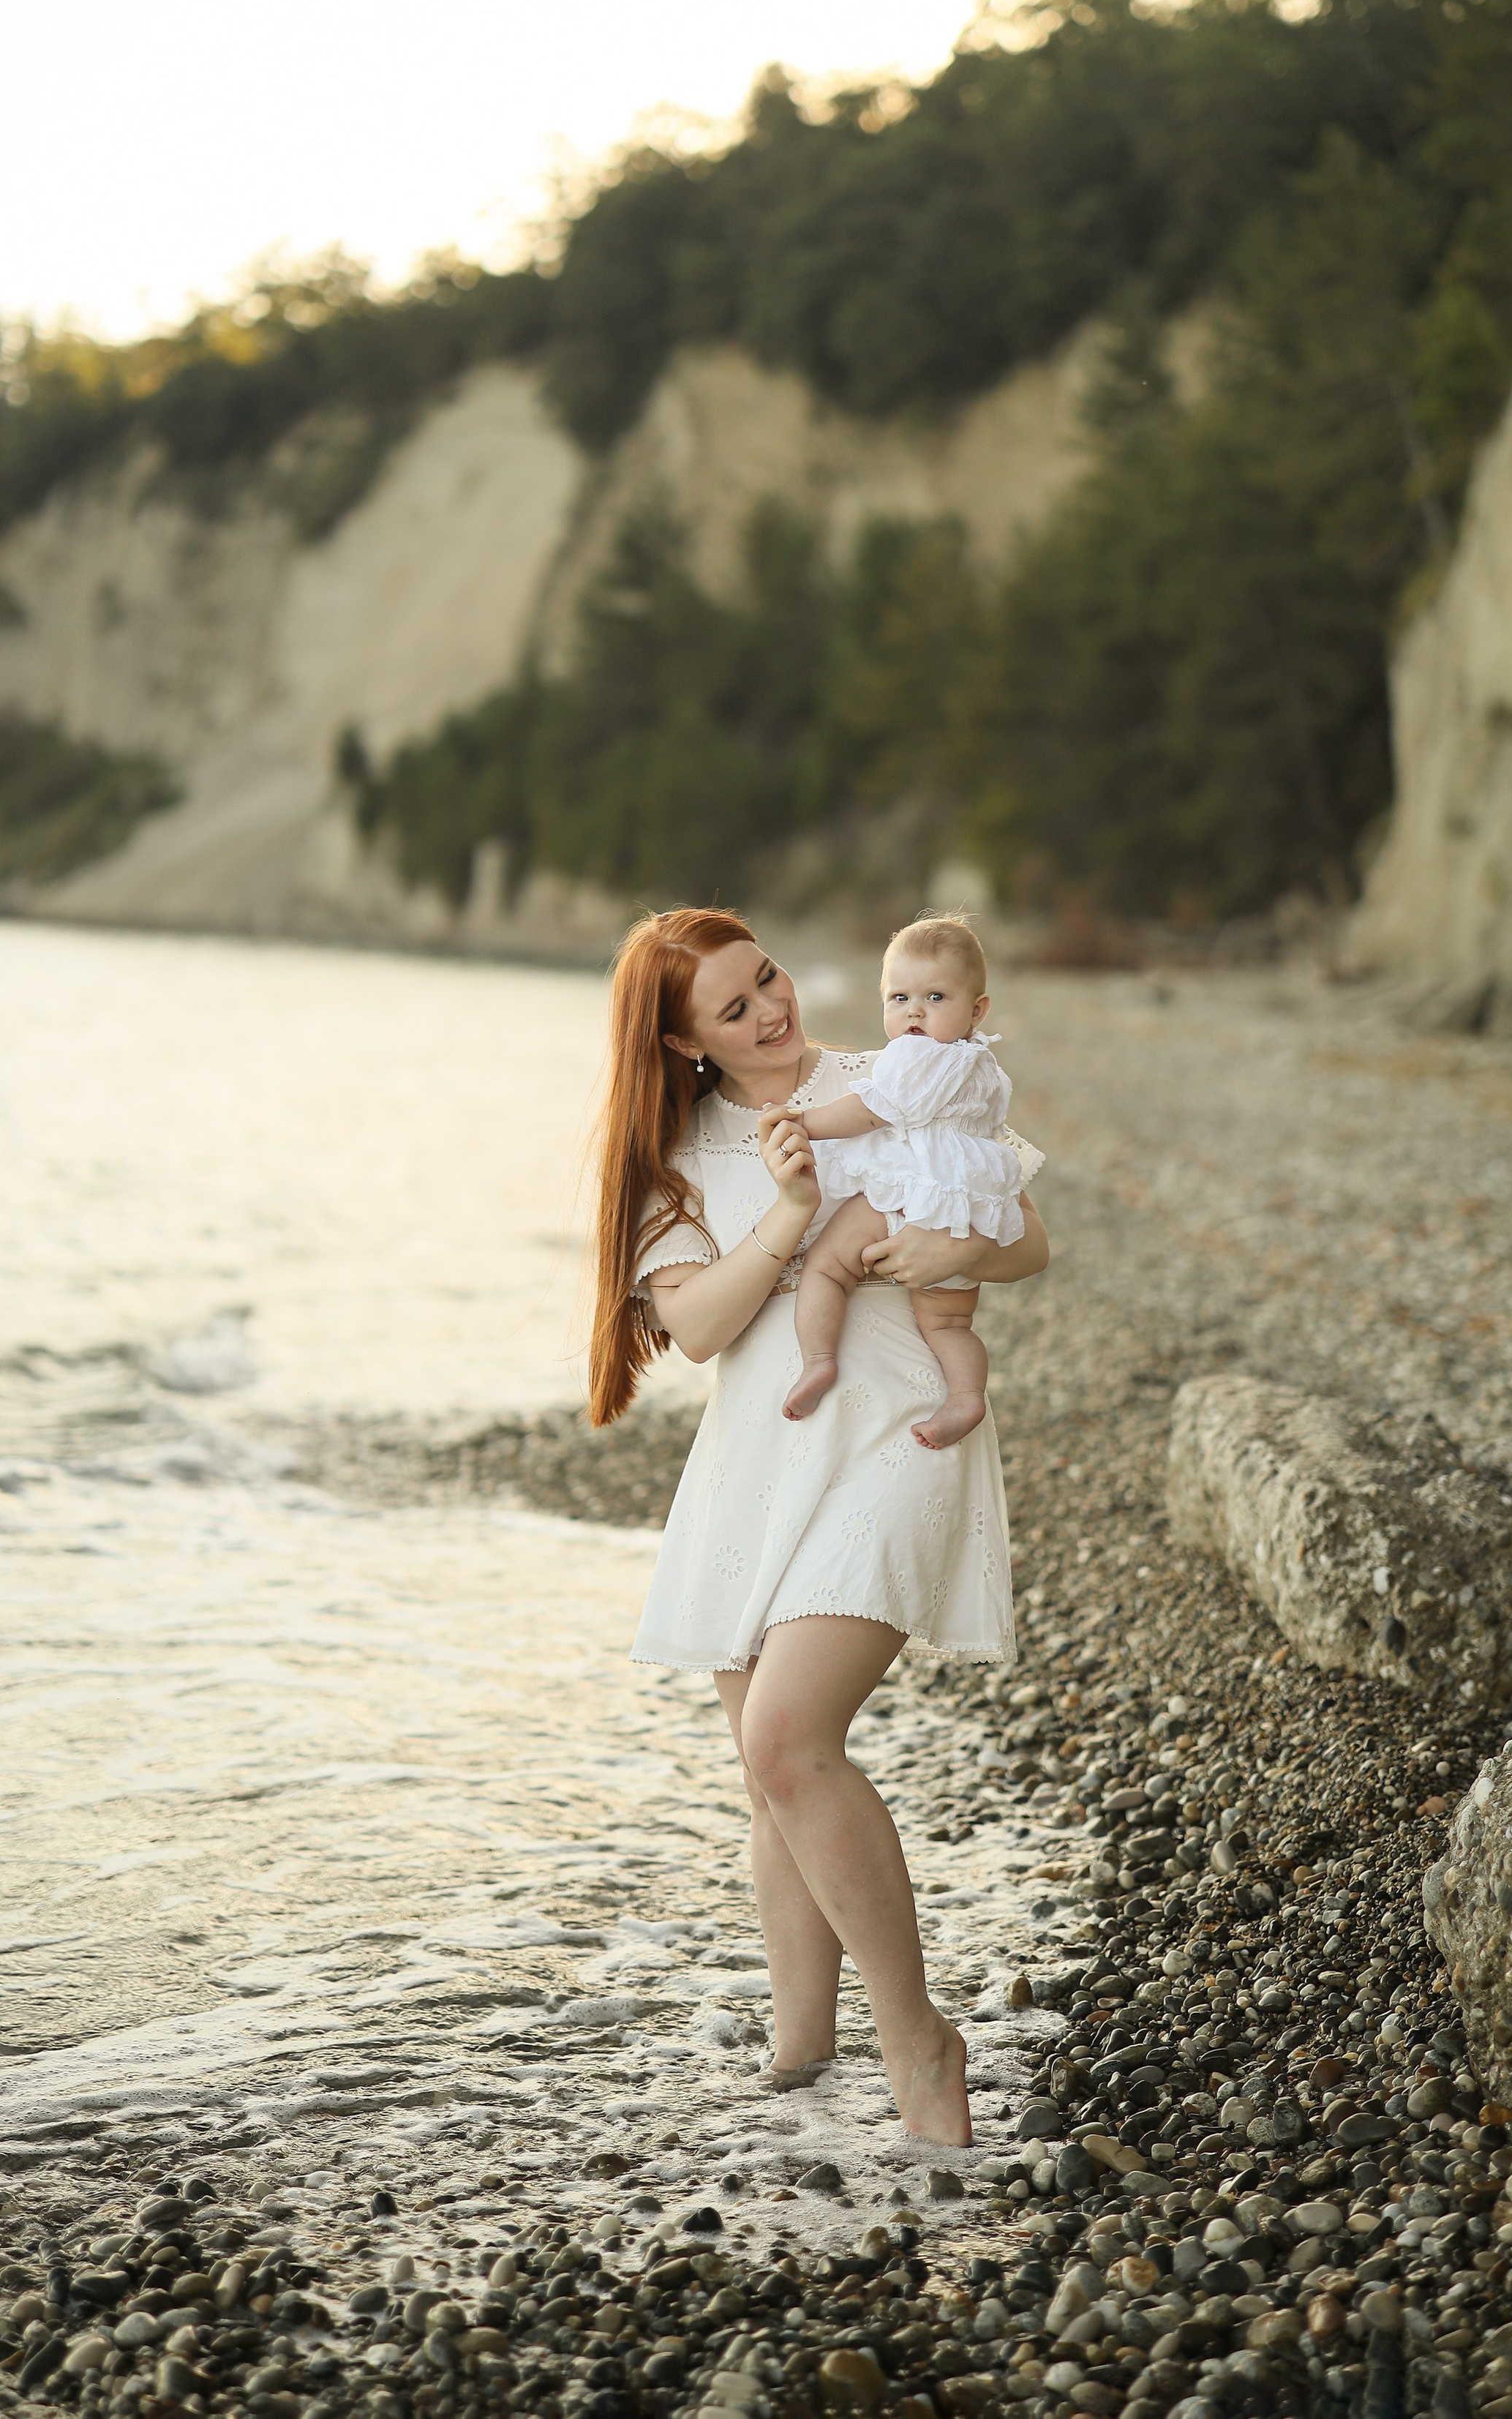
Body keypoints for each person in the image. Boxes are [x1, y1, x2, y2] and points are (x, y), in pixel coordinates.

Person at [587, 907, 1050, 2146]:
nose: (772, 1011)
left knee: (792, 1733)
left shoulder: (896, 1069)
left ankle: (922, 2041)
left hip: (901, 1431)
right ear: (685, 1043)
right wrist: (793, 1214)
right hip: (760, 1463)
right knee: (772, 1769)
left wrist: (937, 1246)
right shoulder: (675, 1157)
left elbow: (1028, 1237)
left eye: (770, 978)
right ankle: (802, 2049)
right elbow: (699, 1327)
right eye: (733, 1009)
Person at [776, 915, 1043, 1448]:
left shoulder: (914, 1055)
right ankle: (966, 1397)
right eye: (899, 998)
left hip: (902, 1191)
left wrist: (802, 1123)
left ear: (977, 1009)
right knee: (948, 1325)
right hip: (961, 1212)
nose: (914, 1011)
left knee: (826, 1268)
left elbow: (872, 1111)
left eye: (936, 996)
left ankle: (819, 1361)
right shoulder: (985, 1067)